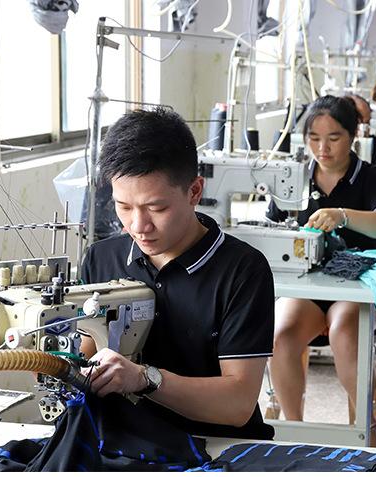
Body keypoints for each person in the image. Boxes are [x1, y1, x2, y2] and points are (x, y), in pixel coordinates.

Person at [78, 107, 275, 439]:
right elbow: (84, 355)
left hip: (215, 445)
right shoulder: (101, 259)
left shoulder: (242, 270)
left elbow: (238, 403)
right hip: (121, 443)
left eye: (156, 208)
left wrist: (144, 379)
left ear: (194, 191)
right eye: (123, 207)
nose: (138, 226)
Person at [267, 95, 376, 422]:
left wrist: (343, 215)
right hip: (306, 288)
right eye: (313, 138)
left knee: (344, 334)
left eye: (334, 138)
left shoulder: (371, 177)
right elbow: (269, 227)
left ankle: (366, 429)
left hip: (355, 287)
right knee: (280, 336)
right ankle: (295, 430)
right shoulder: (292, 177)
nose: (322, 148)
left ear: (353, 136)